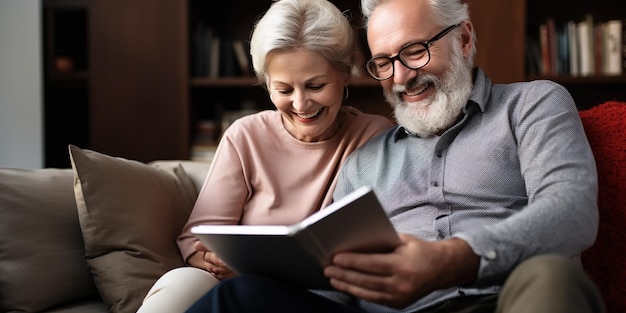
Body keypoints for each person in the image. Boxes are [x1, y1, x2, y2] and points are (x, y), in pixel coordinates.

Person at [184, 0, 607, 312]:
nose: (402, 77)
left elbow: (570, 212)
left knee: (552, 276)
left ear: (463, 38)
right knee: (236, 299)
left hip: (503, 299)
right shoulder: (364, 159)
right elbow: (335, 290)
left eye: (415, 50)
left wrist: (451, 261)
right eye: (383, 62)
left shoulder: (532, 105)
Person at [136, 0, 394, 312]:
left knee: (241, 293)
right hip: (247, 292)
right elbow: (196, 241)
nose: (301, 104)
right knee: (184, 282)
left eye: (316, 85)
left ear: (345, 75)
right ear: (267, 84)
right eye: (284, 90)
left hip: (329, 301)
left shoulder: (375, 136)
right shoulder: (245, 135)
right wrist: (214, 261)